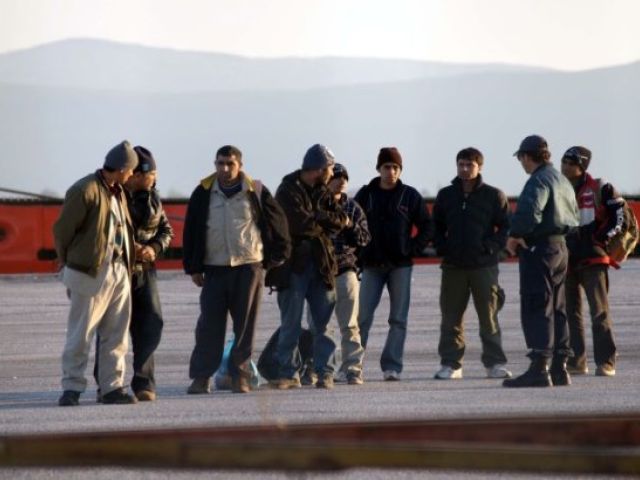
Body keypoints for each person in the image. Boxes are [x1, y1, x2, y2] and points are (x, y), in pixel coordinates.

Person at [183, 145, 290, 394]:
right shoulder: (203, 192)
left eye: (230, 164)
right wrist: (193, 267)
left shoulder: (255, 191)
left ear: (240, 165)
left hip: (248, 267)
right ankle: (201, 377)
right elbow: (192, 230)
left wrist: (275, 259)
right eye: (220, 163)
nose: (225, 168)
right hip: (215, 268)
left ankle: (240, 376)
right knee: (208, 326)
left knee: (245, 327)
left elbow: (278, 223)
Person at [53, 140, 139, 406]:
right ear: (122, 168)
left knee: (117, 334)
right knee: (81, 333)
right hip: (90, 272)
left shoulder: (119, 192)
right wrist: (67, 261)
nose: (132, 175)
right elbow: (62, 231)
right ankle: (72, 387)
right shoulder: (84, 190)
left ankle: (112, 387)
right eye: (131, 170)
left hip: (119, 270)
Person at [270, 144, 349, 390]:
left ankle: (325, 372)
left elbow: (340, 221)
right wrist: (322, 221)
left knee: (324, 323)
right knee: (290, 323)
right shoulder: (287, 190)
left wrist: (319, 218)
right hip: (293, 267)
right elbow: (298, 224)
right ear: (319, 169)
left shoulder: (323, 191)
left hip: (321, 265)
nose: (332, 173)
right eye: (330, 169)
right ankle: (289, 373)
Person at [504, 135, 579, 388]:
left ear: (526, 156)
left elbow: (529, 212)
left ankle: (539, 367)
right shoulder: (561, 179)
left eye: (521, 158)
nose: (521, 163)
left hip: (540, 249)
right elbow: (574, 215)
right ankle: (560, 368)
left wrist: (515, 235)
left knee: (537, 304)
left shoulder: (538, 180)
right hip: (561, 247)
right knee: (558, 307)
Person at [432, 147, 511, 380]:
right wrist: (443, 248)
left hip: (483, 266)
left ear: (480, 167)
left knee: (489, 317)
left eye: (470, 165)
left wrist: (490, 247)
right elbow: (435, 226)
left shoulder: (493, 195)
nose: (465, 169)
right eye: (461, 164)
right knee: (451, 319)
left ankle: (494, 364)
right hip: (453, 266)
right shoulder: (446, 195)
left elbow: (506, 226)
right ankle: (451, 364)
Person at [355, 147, 431, 381]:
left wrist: (412, 249)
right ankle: (352, 365)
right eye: (387, 167)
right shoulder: (366, 194)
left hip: (400, 266)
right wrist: (359, 254)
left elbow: (427, 226)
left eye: (396, 167)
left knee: (398, 319)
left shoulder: (410, 196)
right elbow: (352, 226)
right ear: (379, 168)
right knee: (361, 318)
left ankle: (392, 366)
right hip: (371, 266)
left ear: (400, 170)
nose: (391, 171)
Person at [116, 146, 174, 400]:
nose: (155, 178)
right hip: (119, 270)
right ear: (137, 175)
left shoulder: (153, 198)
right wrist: (132, 247)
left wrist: (154, 248)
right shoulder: (115, 196)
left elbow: (166, 230)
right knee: (114, 328)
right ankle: (108, 384)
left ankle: (144, 383)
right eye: (152, 174)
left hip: (145, 272)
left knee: (151, 323)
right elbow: (107, 230)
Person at [561, 146, 621, 377]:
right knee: (570, 312)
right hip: (566, 257)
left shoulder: (600, 187)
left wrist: (599, 238)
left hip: (593, 257)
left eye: (571, 163)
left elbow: (619, 217)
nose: (565, 167)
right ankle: (577, 361)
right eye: (564, 162)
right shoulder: (556, 187)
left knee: (599, 311)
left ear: (582, 166)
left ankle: (606, 362)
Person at [320, 163, 371, 385]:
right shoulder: (316, 205)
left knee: (350, 324)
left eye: (344, 178)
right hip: (320, 273)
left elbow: (365, 238)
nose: (341, 181)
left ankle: (353, 369)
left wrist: (349, 226)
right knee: (320, 326)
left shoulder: (353, 207)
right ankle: (323, 369)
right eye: (336, 177)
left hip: (345, 270)